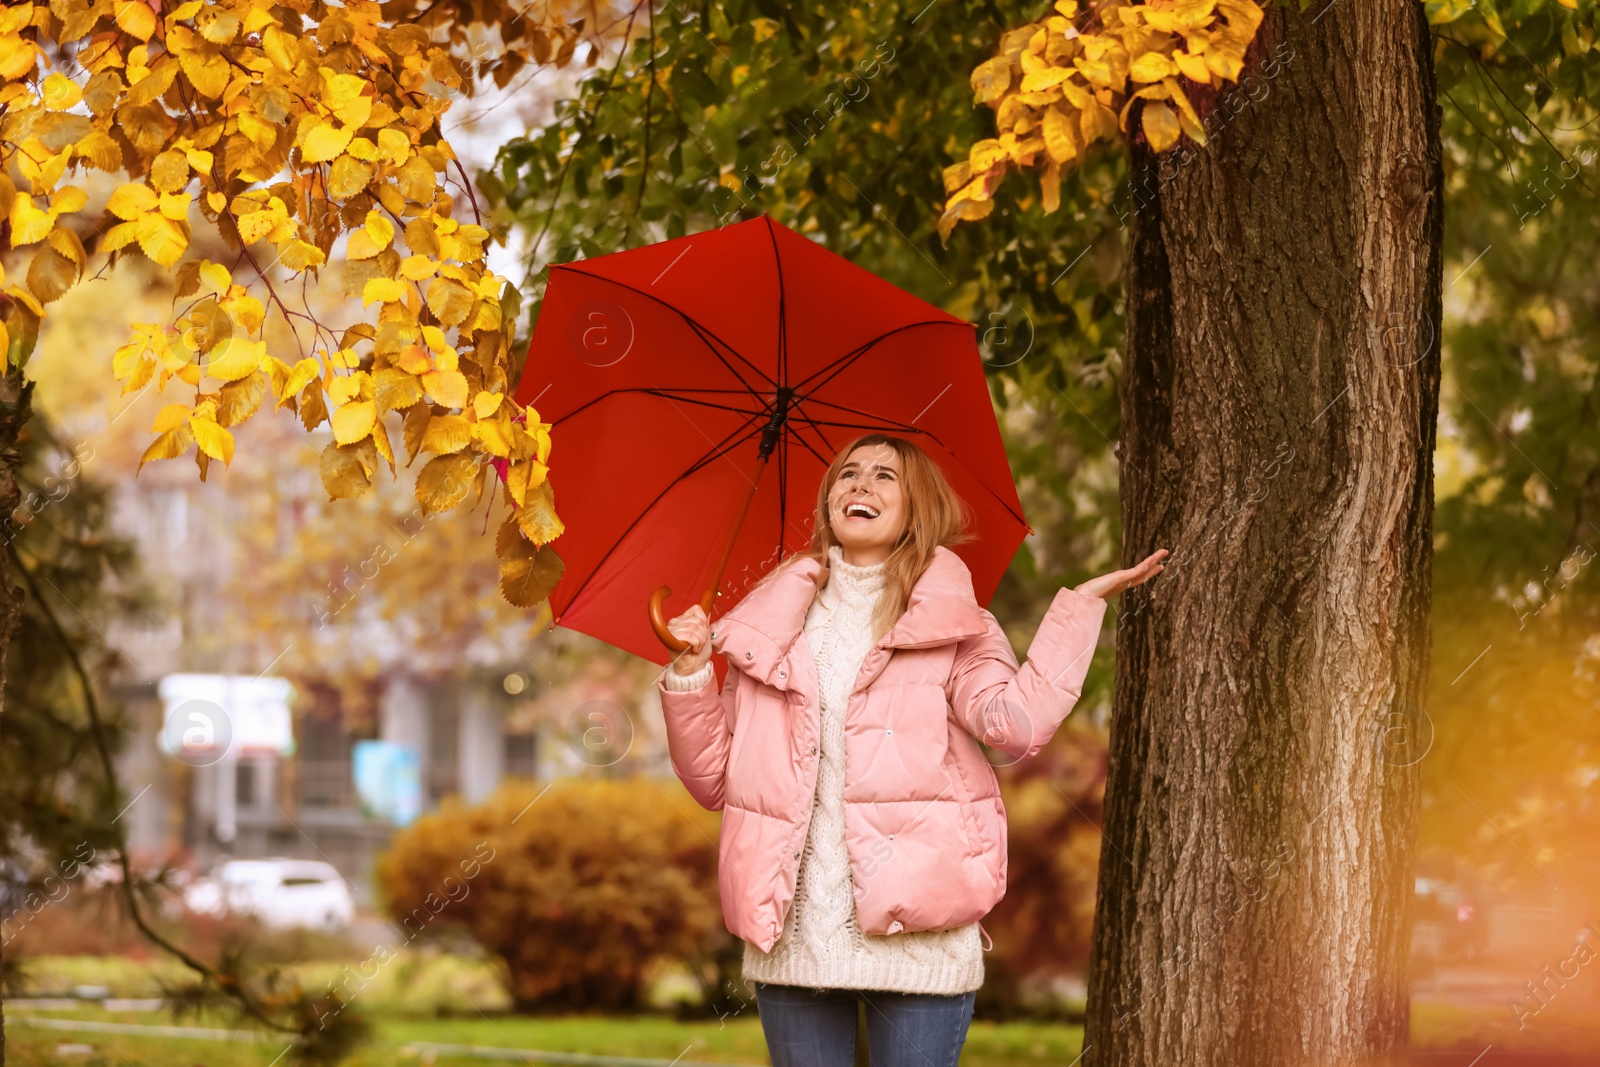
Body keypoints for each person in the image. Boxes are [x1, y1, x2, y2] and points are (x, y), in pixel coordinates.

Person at [656, 433, 1166, 1067]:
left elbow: (1015, 726)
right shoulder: (767, 630)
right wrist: (692, 675)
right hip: (792, 934)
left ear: (917, 507)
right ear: (828, 502)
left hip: (921, 935)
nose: (860, 485)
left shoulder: (958, 624)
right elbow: (713, 781)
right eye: (847, 474)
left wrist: (1080, 609)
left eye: (883, 476)